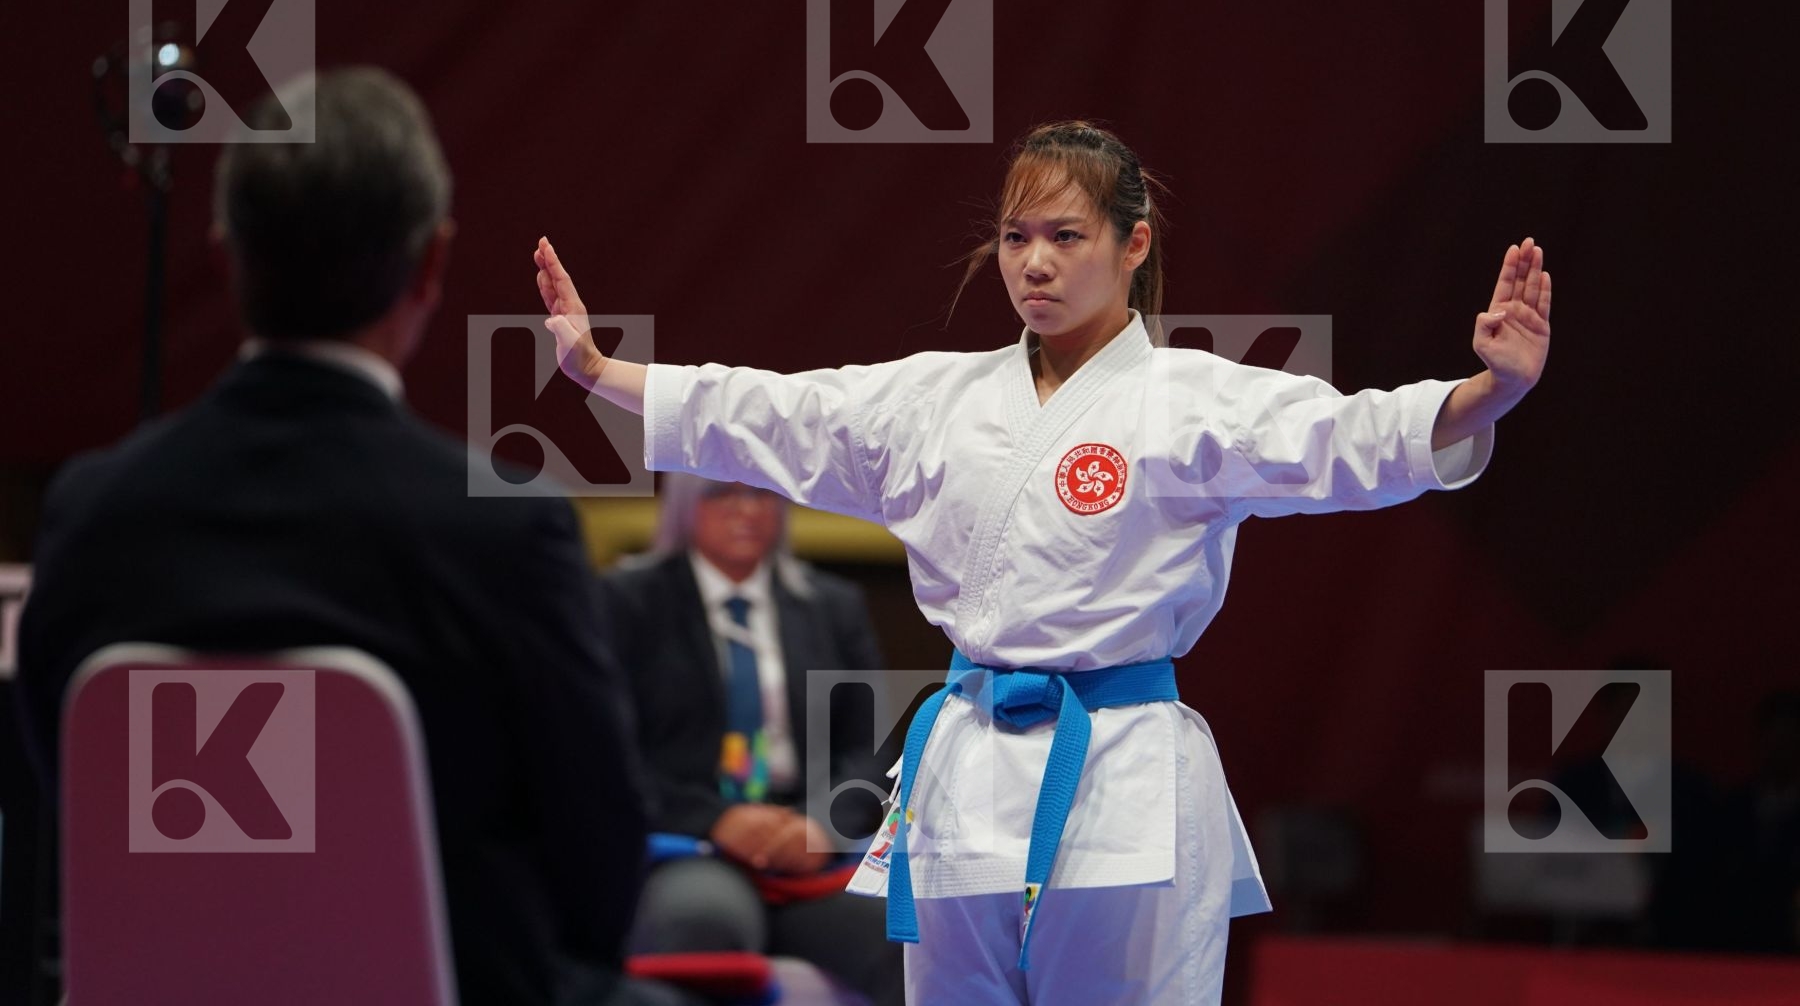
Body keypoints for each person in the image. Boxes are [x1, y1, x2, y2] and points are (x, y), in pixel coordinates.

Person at [531, 120, 1552, 1005]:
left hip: (1122, 773)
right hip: (964, 774)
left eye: (1066, 236)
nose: (1035, 263)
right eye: (1016, 237)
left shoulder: (1192, 401)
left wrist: (1488, 394)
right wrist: (602, 371)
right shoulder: (934, 400)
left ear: (1133, 245)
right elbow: (773, 412)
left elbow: (1349, 438)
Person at [16, 68, 692, 1006]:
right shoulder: (505, 532)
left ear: (226, 256)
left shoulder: (92, 513)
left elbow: (64, 802)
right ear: (430, 266)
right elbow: (602, 868)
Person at [597, 473, 903, 1005]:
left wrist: (820, 825)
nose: (746, 510)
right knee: (702, 920)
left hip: (805, 841)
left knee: (902, 934)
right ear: (684, 506)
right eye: (721, 493)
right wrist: (716, 819)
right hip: (689, 842)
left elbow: (871, 749)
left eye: (760, 493)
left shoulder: (834, 606)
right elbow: (606, 753)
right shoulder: (625, 602)